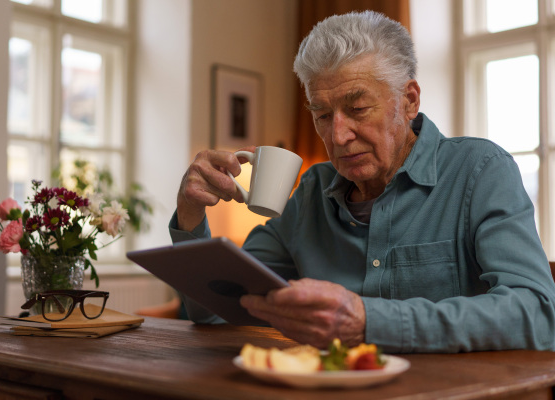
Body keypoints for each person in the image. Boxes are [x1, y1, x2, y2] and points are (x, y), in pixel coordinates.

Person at [169, 10, 555, 353]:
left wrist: (368, 321)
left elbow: (536, 312)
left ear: (409, 100)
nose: (337, 136)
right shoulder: (311, 193)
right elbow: (217, 312)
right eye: (322, 114)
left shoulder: (480, 170)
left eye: (357, 109)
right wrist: (189, 214)